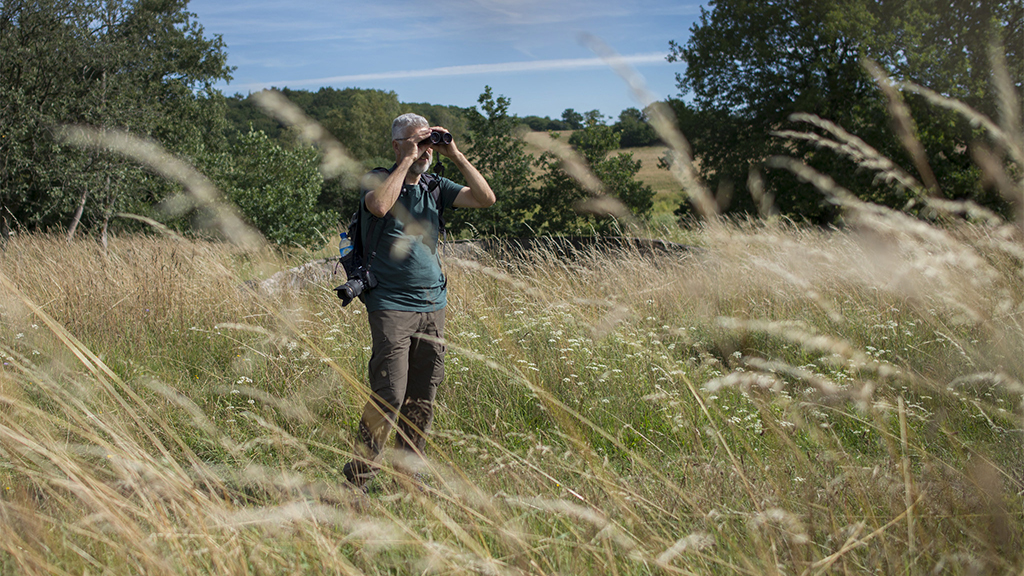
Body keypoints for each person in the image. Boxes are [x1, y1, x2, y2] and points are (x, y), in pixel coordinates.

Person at [343, 113, 495, 490]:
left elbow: (485, 198)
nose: (426, 149)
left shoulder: (434, 186)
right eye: (417, 141)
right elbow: (379, 206)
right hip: (391, 303)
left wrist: (454, 153)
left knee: (422, 396)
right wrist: (408, 161)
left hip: (433, 304)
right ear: (397, 145)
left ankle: (408, 476)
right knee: (390, 394)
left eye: (429, 142)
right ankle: (357, 478)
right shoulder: (379, 179)